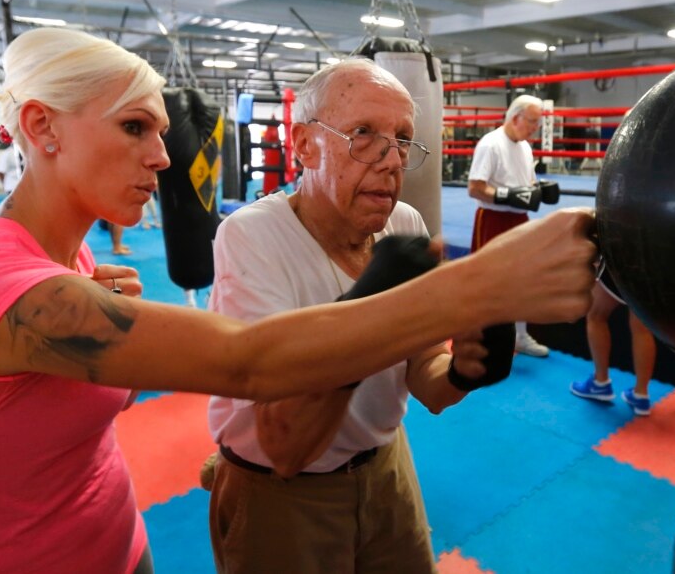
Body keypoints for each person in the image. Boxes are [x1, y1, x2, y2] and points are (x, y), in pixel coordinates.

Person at [0, 27, 596, 574]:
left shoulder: (73, 262)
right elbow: (248, 366)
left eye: (163, 130)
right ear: (42, 129)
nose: (165, 157)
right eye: (136, 127)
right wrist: (487, 278)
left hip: (117, 539)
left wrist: (465, 370)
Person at [207, 59, 494, 573]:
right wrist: (369, 305)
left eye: (403, 139)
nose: (391, 160)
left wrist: (464, 372)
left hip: (386, 467)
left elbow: (425, 377)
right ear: (303, 145)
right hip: (280, 488)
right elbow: (287, 443)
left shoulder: (403, 222)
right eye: (363, 134)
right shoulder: (253, 238)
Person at [467, 94, 557, 358]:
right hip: (493, 219)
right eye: (531, 122)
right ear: (515, 117)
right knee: (487, 279)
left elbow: (526, 185)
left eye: (537, 123)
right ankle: (479, 336)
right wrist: (505, 195)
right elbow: (475, 188)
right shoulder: (490, 144)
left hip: (518, 219)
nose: (534, 128)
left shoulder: (526, 147)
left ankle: (519, 335)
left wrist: (538, 191)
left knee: (523, 278)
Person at [570, 268, 658, 416]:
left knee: (596, 316)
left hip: (623, 260)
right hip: (654, 267)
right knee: (643, 329)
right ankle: (641, 394)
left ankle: (600, 382)